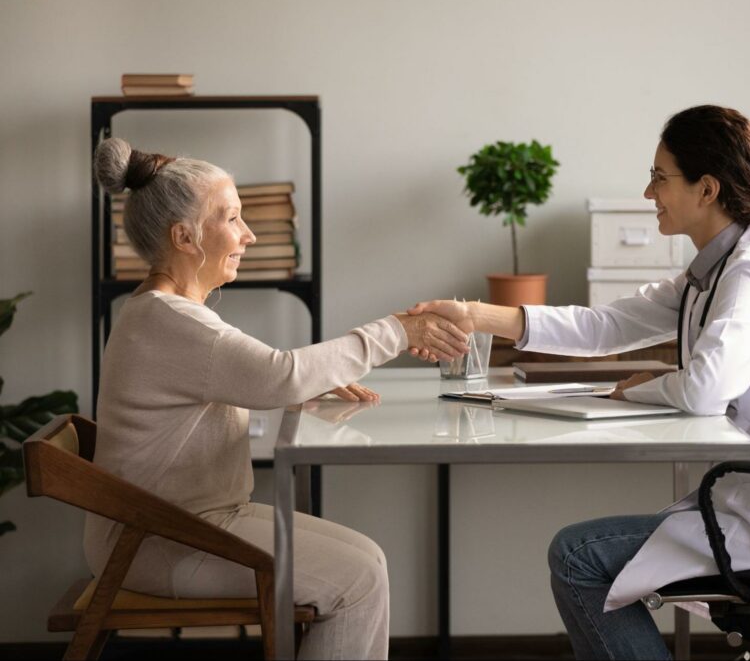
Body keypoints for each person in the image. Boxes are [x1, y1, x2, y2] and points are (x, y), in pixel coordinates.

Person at [407, 105, 750, 659]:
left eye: (660, 178)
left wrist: (645, 382)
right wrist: (478, 315)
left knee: (577, 556)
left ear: (707, 188)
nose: (649, 193)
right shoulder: (710, 272)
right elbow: (604, 326)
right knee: (582, 554)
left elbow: (703, 391)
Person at [86, 138, 469, 660]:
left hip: (181, 523)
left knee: (370, 561)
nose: (248, 234)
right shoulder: (170, 320)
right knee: (356, 581)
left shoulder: (162, 312)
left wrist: (314, 377)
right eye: (232, 218)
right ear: (185, 237)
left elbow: (266, 373)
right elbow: (280, 376)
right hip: (160, 541)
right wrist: (398, 331)